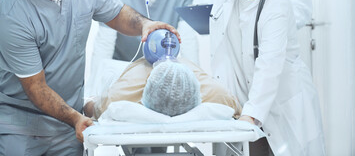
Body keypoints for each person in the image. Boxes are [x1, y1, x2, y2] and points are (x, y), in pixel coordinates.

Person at [146, 0, 325, 155]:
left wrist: (249, 116)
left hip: (281, 106)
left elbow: (268, 68)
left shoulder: (276, 5)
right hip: (245, 102)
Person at [0, 0, 180, 156]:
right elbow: (36, 87)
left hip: (68, 126)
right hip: (22, 128)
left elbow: (115, 13)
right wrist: (76, 117)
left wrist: (144, 24)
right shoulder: (12, 15)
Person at [84, 57, 241, 119]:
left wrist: (88, 102)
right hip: (130, 71)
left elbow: (92, 108)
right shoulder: (217, 95)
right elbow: (237, 108)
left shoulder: (120, 97)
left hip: (131, 75)